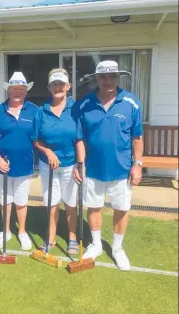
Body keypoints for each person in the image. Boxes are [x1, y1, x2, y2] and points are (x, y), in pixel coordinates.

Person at [74, 60, 143, 271]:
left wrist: (137, 164)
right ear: (97, 78)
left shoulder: (131, 102)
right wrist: (80, 163)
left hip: (122, 169)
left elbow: (137, 137)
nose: (108, 81)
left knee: (121, 209)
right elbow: (79, 139)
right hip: (93, 169)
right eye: (103, 77)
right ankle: (95, 244)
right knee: (93, 207)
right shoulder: (84, 104)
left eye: (112, 76)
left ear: (118, 77)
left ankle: (117, 248)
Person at [0, 72, 38, 250]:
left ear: (26, 91)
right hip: (3, 165)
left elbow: (39, 137)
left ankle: (22, 231)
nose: (17, 92)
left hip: (25, 164)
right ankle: (6, 231)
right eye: (14, 89)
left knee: (22, 201)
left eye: (21, 89)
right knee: (5, 200)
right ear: (8, 90)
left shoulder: (34, 110)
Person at [31, 68, 79, 255]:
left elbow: (81, 138)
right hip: (48, 165)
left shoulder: (76, 108)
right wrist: (47, 151)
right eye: (54, 84)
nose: (58, 87)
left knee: (70, 203)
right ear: (49, 88)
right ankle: (50, 239)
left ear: (68, 86)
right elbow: (35, 139)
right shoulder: (41, 111)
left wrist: (80, 164)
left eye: (61, 84)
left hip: (70, 164)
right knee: (51, 203)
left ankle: (72, 238)